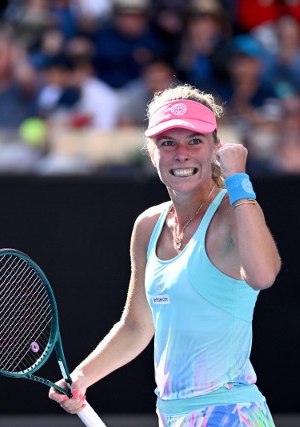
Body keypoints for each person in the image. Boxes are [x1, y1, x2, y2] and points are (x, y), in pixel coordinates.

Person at [48, 84, 281, 427]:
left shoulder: (233, 213)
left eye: (194, 141)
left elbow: (263, 276)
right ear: (153, 152)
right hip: (172, 417)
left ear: (216, 146)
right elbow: (137, 325)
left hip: (232, 414)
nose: (181, 153)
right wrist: (82, 376)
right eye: (168, 143)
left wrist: (239, 180)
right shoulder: (148, 225)